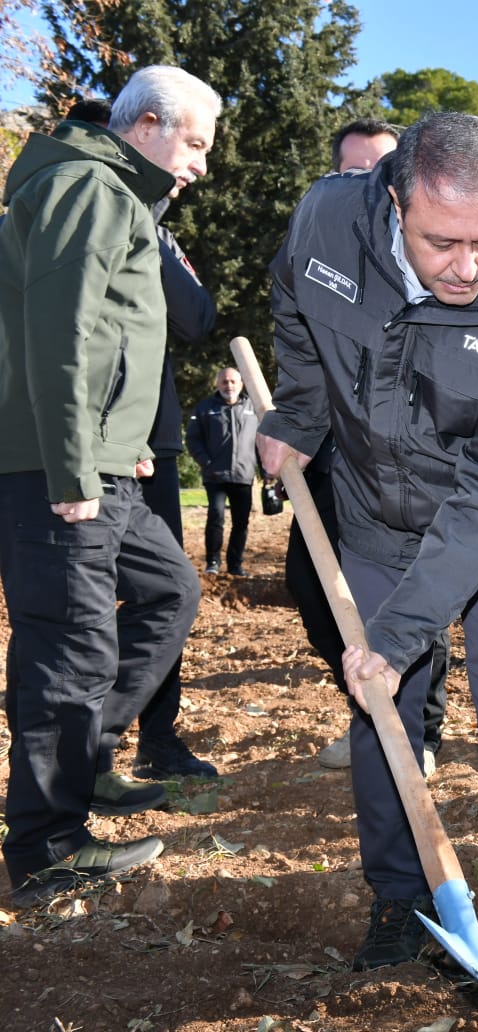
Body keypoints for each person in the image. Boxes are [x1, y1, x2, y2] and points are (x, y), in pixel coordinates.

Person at [259, 111, 478, 977]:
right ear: (395, 198)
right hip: (372, 504)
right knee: (381, 704)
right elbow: (293, 302)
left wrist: (403, 636)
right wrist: (298, 411)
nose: (469, 267)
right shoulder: (326, 221)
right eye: (444, 242)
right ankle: (400, 902)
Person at [0, 65, 218, 904]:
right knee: (69, 645)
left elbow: (110, 346)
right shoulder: (89, 188)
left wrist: (119, 444)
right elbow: (61, 336)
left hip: (106, 462)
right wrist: (72, 465)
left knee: (170, 591)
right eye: (194, 143)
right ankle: (47, 843)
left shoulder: (119, 195)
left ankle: (86, 763)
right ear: (150, 124)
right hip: (62, 471)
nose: (198, 163)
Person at [283, 117, 449, 776]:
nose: (368, 187)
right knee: (313, 585)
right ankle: (373, 714)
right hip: (327, 450)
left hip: (401, 460)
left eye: (381, 173)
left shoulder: (428, 264)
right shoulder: (317, 250)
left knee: (406, 595)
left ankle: (420, 732)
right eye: (353, 173)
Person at [61, 97, 219, 782]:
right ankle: (73, 751)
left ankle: (156, 737)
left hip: (153, 441)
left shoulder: (152, 229)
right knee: (85, 609)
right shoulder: (70, 212)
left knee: (165, 596)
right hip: (87, 445)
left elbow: (197, 318)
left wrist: (148, 232)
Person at [187, 367, 259, 576]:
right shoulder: (205, 408)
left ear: (241, 384)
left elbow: (261, 442)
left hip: (243, 476)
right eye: (225, 382)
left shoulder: (253, 408)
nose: (229, 386)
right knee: (216, 516)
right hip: (215, 476)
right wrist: (206, 462)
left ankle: (235, 565)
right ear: (218, 384)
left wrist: (267, 471)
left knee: (241, 522)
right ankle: (213, 562)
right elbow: (193, 439)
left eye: (233, 381)